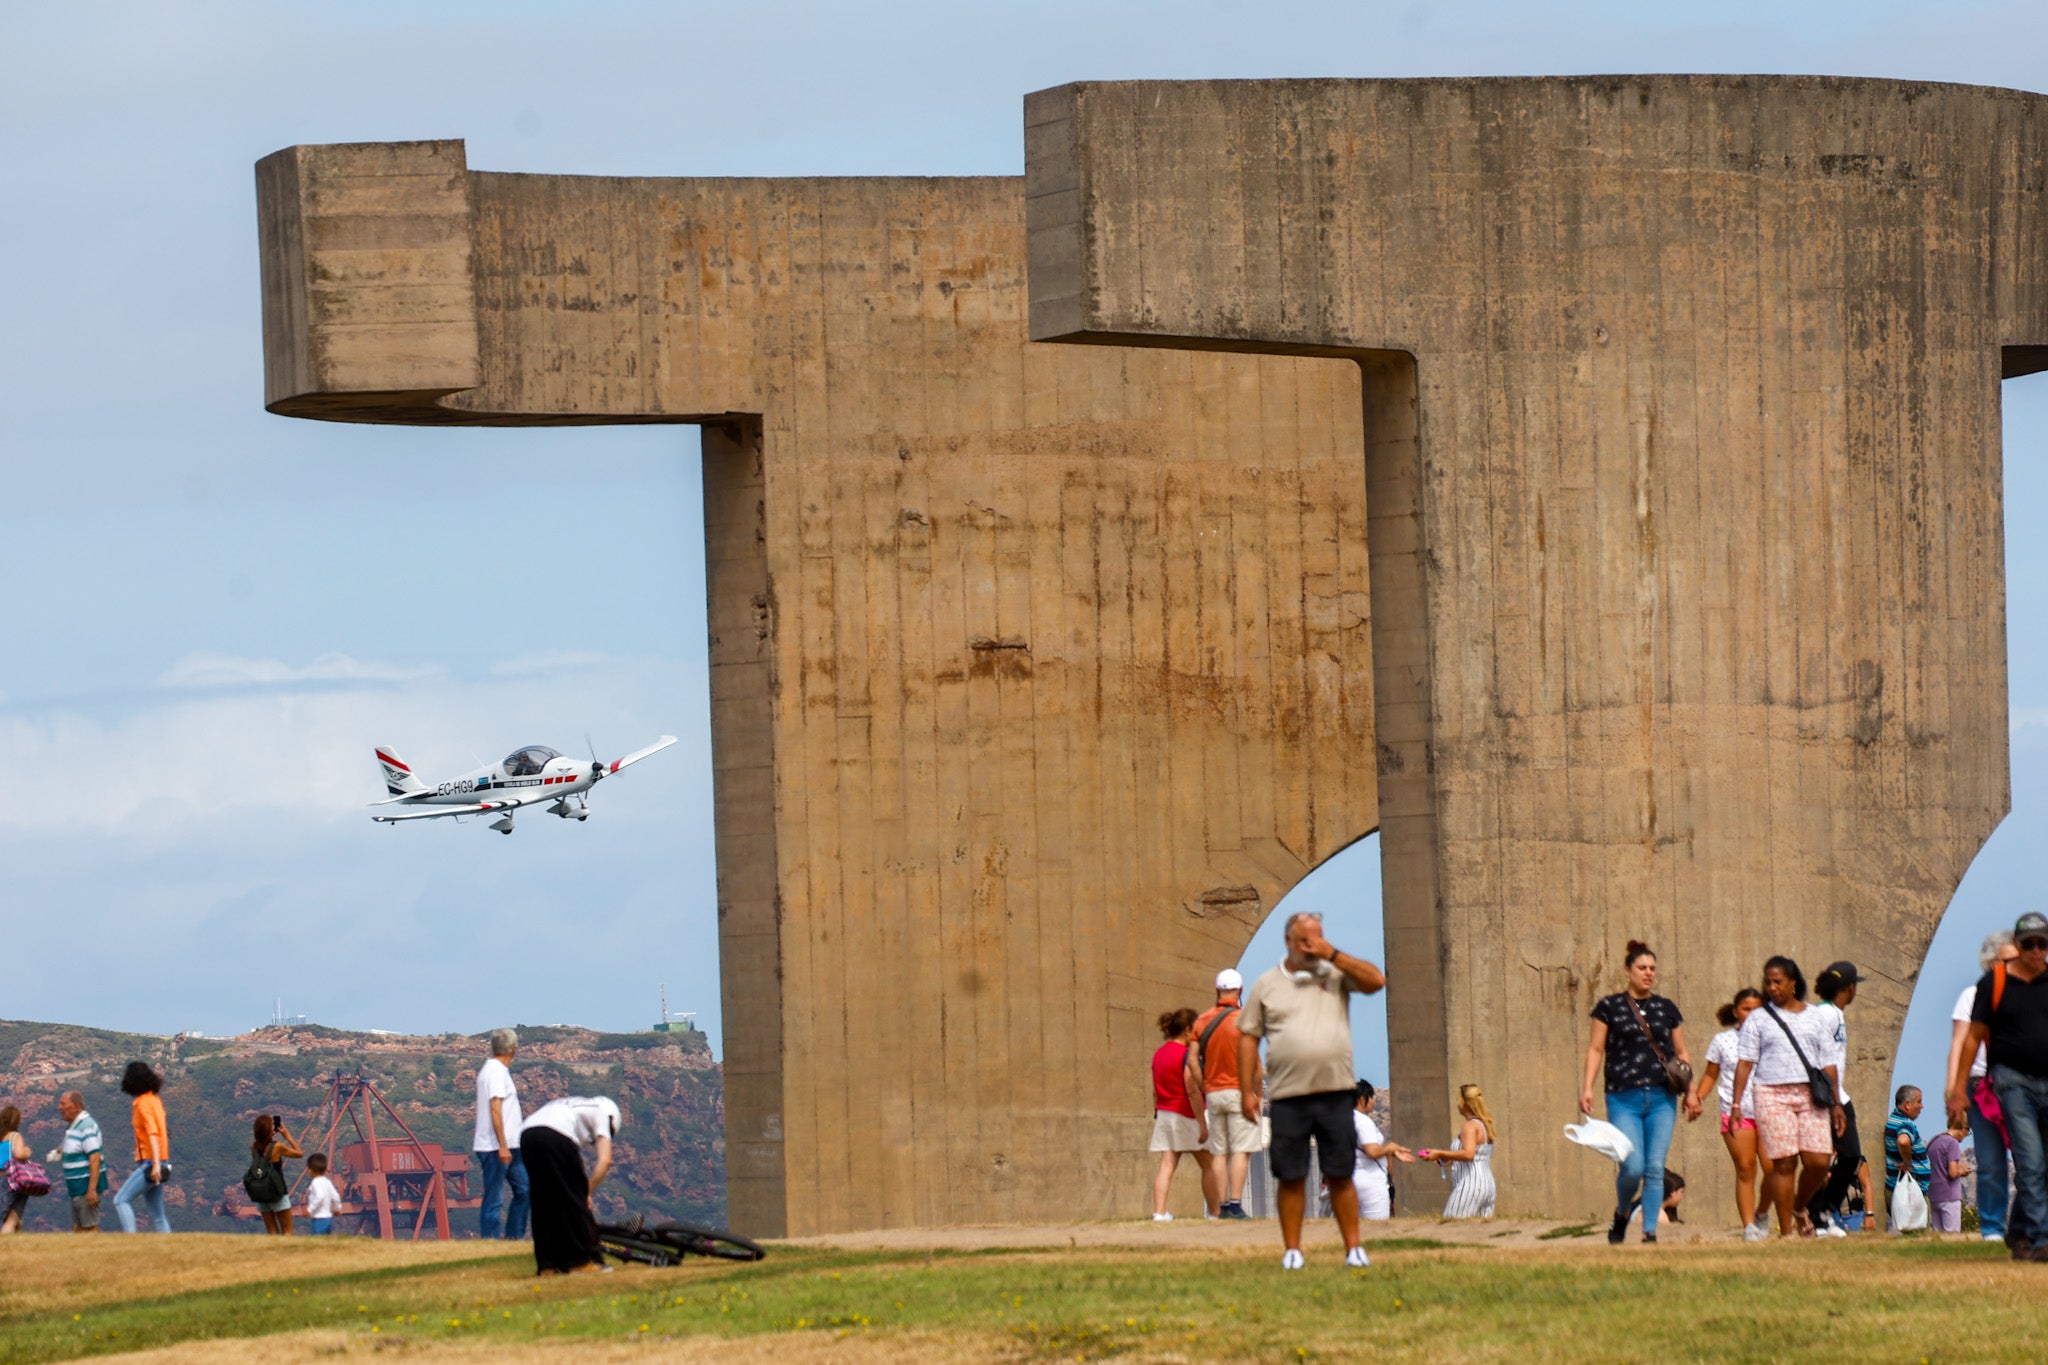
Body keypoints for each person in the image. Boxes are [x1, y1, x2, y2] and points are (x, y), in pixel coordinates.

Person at [1238, 911, 1386, 1270]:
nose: (1313, 945)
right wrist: (1247, 1090)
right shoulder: (1268, 984)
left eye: (1318, 937)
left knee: (1340, 1171)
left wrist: (1332, 953)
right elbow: (1249, 1037)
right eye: (1307, 939)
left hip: (1335, 1090)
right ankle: (1293, 1250)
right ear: (1289, 941)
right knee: (1291, 1175)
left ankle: (1353, 1247)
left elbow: (1375, 981)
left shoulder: (1336, 975)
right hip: (1289, 1093)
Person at [1582, 940, 1700, 1245]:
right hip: (1623, 1096)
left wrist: (1691, 1092)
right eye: (1642, 968)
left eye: (1652, 968)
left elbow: (1682, 1053)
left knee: (1654, 1167)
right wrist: (1587, 1088)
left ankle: (1649, 1233)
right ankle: (1622, 1213)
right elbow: (1596, 1049)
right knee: (1632, 1167)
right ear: (1627, 970)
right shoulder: (1609, 1007)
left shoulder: (1666, 1008)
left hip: (1662, 1097)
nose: (1648, 973)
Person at [1947, 912, 2048, 1261]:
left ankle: (2020, 1231)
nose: (2035, 952)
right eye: (2028, 945)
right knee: (2019, 1161)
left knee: (2038, 1162)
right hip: (2004, 1082)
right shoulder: (1989, 986)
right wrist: (1957, 1088)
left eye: (2042, 944)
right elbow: (1969, 1039)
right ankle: (2034, 1237)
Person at [1730, 956, 1845, 1239]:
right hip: (1771, 1093)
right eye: (1768, 982)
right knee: (1784, 1163)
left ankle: (1798, 1207)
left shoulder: (1814, 1017)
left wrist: (1837, 1103)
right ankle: (1787, 1234)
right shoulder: (1757, 1018)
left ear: (1793, 983)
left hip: (1811, 1094)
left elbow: (1828, 1062)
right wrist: (1736, 1103)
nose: (1771, 987)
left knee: (1819, 1161)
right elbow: (1744, 1062)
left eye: (1777, 981)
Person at [1947, 930, 2019, 1241]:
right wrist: (1954, 1089)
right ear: (1991, 963)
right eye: (2007, 960)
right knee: (1991, 1161)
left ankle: (2021, 1225)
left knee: (2031, 1159)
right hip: (1981, 1084)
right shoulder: (1972, 995)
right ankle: (1992, 1229)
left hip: (2021, 1082)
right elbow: (1961, 1041)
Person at [1691, 987, 1765, 1235]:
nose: (1752, 1013)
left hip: (1770, 1111)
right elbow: (1711, 1074)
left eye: (1757, 1009)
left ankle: (1762, 1212)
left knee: (1775, 1170)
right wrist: (1697, 1098)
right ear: (1736, 1011)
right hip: (1736, 1112)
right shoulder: (1723, 1040)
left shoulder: (1773, 1038)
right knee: (1746, 1168)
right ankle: (1749, 1226)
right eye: (1746, 1008)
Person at [520, 1095, 621, 1275]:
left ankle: (547, 1266)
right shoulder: (603, 1113)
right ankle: (579, 1262)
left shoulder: (572, 1104)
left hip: (527, 1134)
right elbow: (605, 1161)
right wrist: (586, 1192)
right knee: (572, 1201)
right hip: (556, 1135)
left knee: (542, 1202)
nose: (591, 1141)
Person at [1193, 969, 1261, 1219]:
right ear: (1241, 990)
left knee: (1219, 1152)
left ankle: (1221, 1207)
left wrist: (1204, 1085)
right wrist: (1256, 1093)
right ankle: (1235, 1204)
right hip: (1238, 1091)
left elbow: (1192, 1060)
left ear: (1216, 989)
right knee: (1241, 1150)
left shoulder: (1201, 1021)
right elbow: (1255, 1064)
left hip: (1214, 1094)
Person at [1804, 961, 1864, 1236]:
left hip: (1839, 1095)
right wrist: (1832, 1101)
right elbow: (1817, 1057)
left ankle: (1822, 1214)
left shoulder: (1834, 1014)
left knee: (1847, 1157)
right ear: (1850, 988)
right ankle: (1819, 1216)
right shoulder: (1826, 1015)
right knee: (1834, 1157)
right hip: (1829, 1097)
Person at [1148, 1008, 1211, 1220]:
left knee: (1166, 1165)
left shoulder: (1159, 1054)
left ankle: (1159, 1212)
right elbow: (1192, 1089)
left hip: (1164, 1114)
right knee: (1208, 1165)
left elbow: (1155, 1090)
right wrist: (1202, 1123)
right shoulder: (1186, 1055)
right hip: (1186, 1114)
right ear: (1187, 1030)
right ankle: (1215, 1213)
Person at [474, 1028, 529, 1240]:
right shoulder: (495, 1071)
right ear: (513, 1049)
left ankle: (514, 1238)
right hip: (496, 1146)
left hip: (512, 1146)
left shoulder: (496, 1070)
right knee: (494, 1197)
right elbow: (495, 1108)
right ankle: (491, 1241)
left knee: (525, 1190)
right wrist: (502, 1145)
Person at [1419, 1083, 1497, 1220]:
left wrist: (1440, 1153)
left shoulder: (1469, 1126)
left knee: (1450, 1225)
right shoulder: (1484, 1125)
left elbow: (1468, 1153)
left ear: (1463, 1103)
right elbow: (1476, 1154)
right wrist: (1450, 1159)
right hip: (1487, 1184)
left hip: (1470, 1184)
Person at [113, 1060, 172, 1233]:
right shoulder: (155, 1100)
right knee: (158, 1214)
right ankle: (169, 1248)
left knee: (121, 1200)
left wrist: (154, 1164)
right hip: (162, 1159)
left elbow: (152, 1132)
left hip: (150, 1162)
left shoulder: (142, 1103)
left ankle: (131, 1240)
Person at [1350, 1080, 1413, 1220]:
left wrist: (1390, 1152)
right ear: (1362, 1098)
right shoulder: (1363, 1121)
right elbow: (1372, 1151)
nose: (1373, 1101)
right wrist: (1389, 1147)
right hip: (1370, 1182)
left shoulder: (1344, 1120)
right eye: (1371, 1097)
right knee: (1376, 1230)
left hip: (1349, 1181)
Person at [51, 1092, 104, 1234]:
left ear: (74, 1107)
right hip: (77, 1188)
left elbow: (94, 1157)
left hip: (85, 1186)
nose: (59, 1108)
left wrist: (91, 1189)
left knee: (89, 1226)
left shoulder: (85, 1126)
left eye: (63, 1104)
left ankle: (95, 1254)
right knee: (79, 1228)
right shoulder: (74, 1127)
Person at [250, 1115, 303, 1235]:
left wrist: (268, 1134)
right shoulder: (277, 1147)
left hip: (261, 1193)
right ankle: (285, 1253)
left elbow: (262, 1148)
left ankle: (273, 1252)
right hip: (277, 1192)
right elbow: (299, 1153)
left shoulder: (253, 1147)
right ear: (270, 1130)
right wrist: (286, 1135)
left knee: (272, 1231)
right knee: (287, 1230)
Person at [1926, 1108, 1970, 1233]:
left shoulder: (1934, 1141)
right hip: (1949, 1195)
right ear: (1963, 1128)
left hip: (1934, 1194)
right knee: (1952, 1235)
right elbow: (1952, 1172)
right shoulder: (1952, 1143)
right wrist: (1963, 1171)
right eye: (1967, 1131)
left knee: (1938, 1235)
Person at [0, 1107, 34, 1234]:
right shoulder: (14, 1136)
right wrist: (27, 1151)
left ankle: (17, 1246)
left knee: (11, 1216)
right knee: (12, 1218)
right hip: (12, 1178)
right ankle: (5, 1245)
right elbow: (19, 1154)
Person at [305, 1153, 341, 1235]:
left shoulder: (315, 1182)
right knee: (325, 1241)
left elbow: (320, 1196)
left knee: (317, 1242)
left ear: (310, 1170)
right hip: (328, 1218)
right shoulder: (327, 1182)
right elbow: (336, 1196)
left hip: (319, 1218)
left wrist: (310, 1209)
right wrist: (338, 1209)